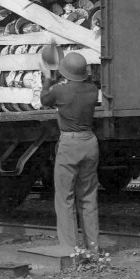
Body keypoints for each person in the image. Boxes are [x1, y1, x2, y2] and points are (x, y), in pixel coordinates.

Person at [40, 53, 100, 252]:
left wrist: (47, 80)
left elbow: (44, 99)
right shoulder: (93, 90)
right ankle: (93, 247)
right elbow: (79, 86)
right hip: (90, 142)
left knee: (65, 197)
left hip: (69, 143)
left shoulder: (58, 91)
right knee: (88, 196)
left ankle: (70, 247)